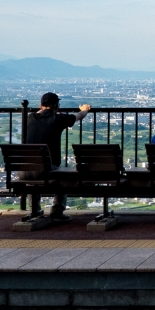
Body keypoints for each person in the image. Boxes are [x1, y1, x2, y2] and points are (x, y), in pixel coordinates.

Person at [25, 92, 91, 222]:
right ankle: (57, 211)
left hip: (25, 171)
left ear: (41, 105)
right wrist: (85, 110)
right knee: (65, 175)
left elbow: (40, 113)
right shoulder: (58, 119)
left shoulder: (30, 117)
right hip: (48, 170)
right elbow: (79, 116)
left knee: (34, 175)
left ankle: (35, 210)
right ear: (57, 106)